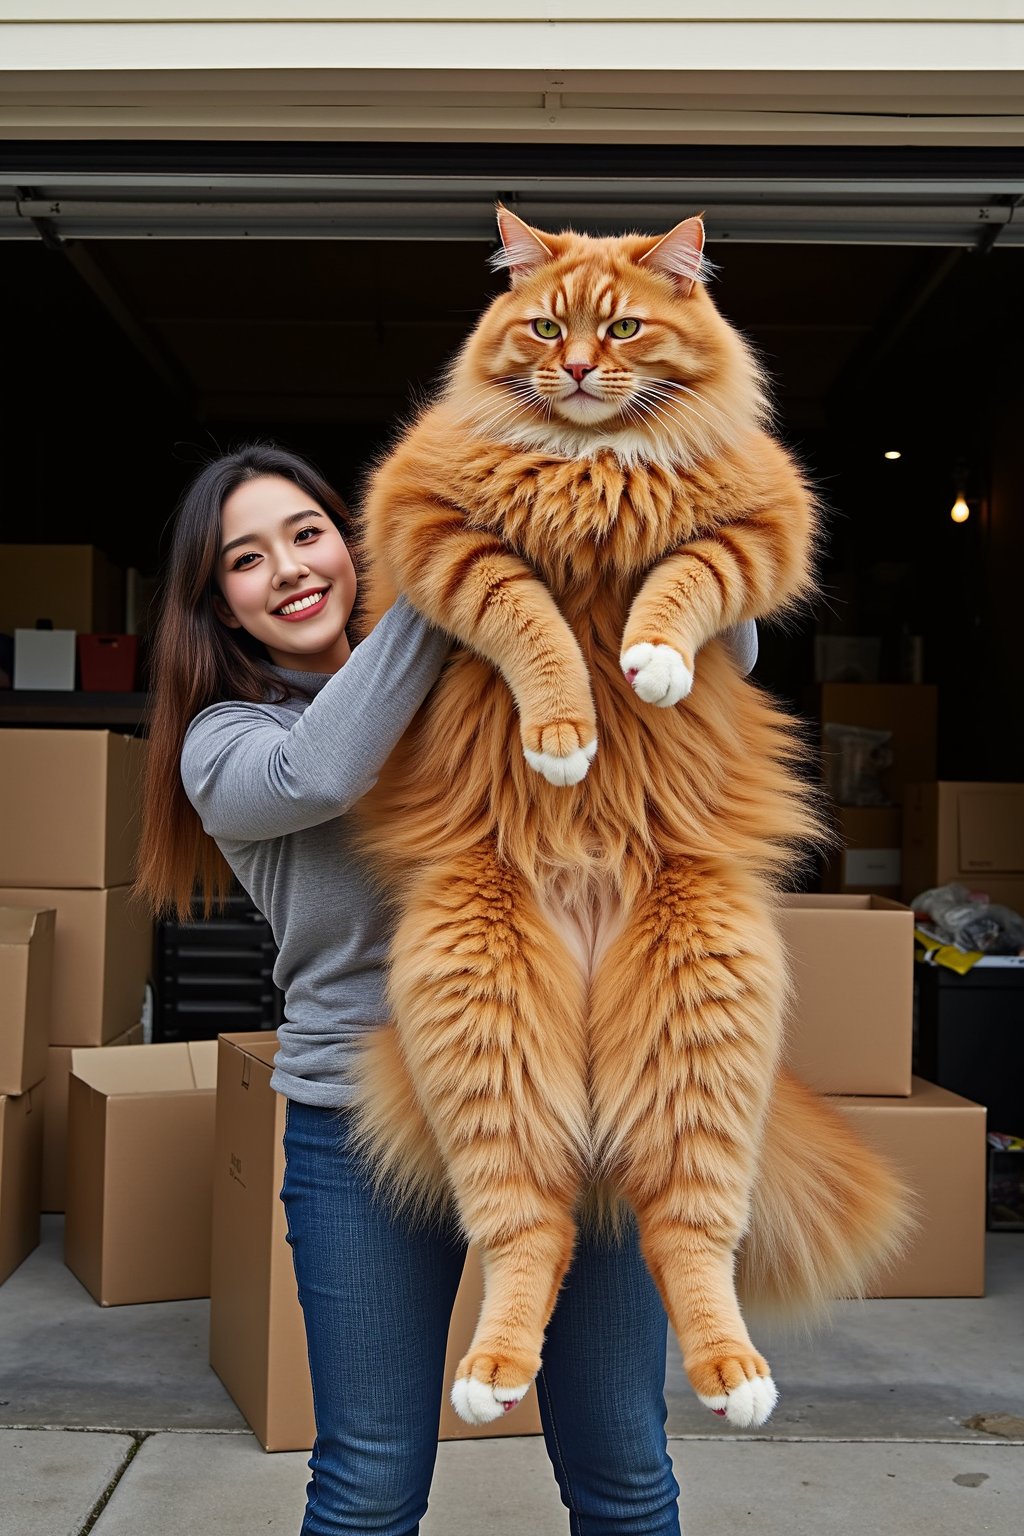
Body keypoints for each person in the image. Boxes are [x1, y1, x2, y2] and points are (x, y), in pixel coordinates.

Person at [138, 441, 759, 1536]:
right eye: (246, 558)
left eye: (307, 532)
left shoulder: (477, 675)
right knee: (369, 1480)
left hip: (579, 1107)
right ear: (219, 607)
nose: (288, 568)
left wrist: (645, 539)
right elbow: (327, 770)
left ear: (347, 539)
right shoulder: (229, 743)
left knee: (624, 1467)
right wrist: (452, 562)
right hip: (365, 1125)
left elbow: (727, 658)